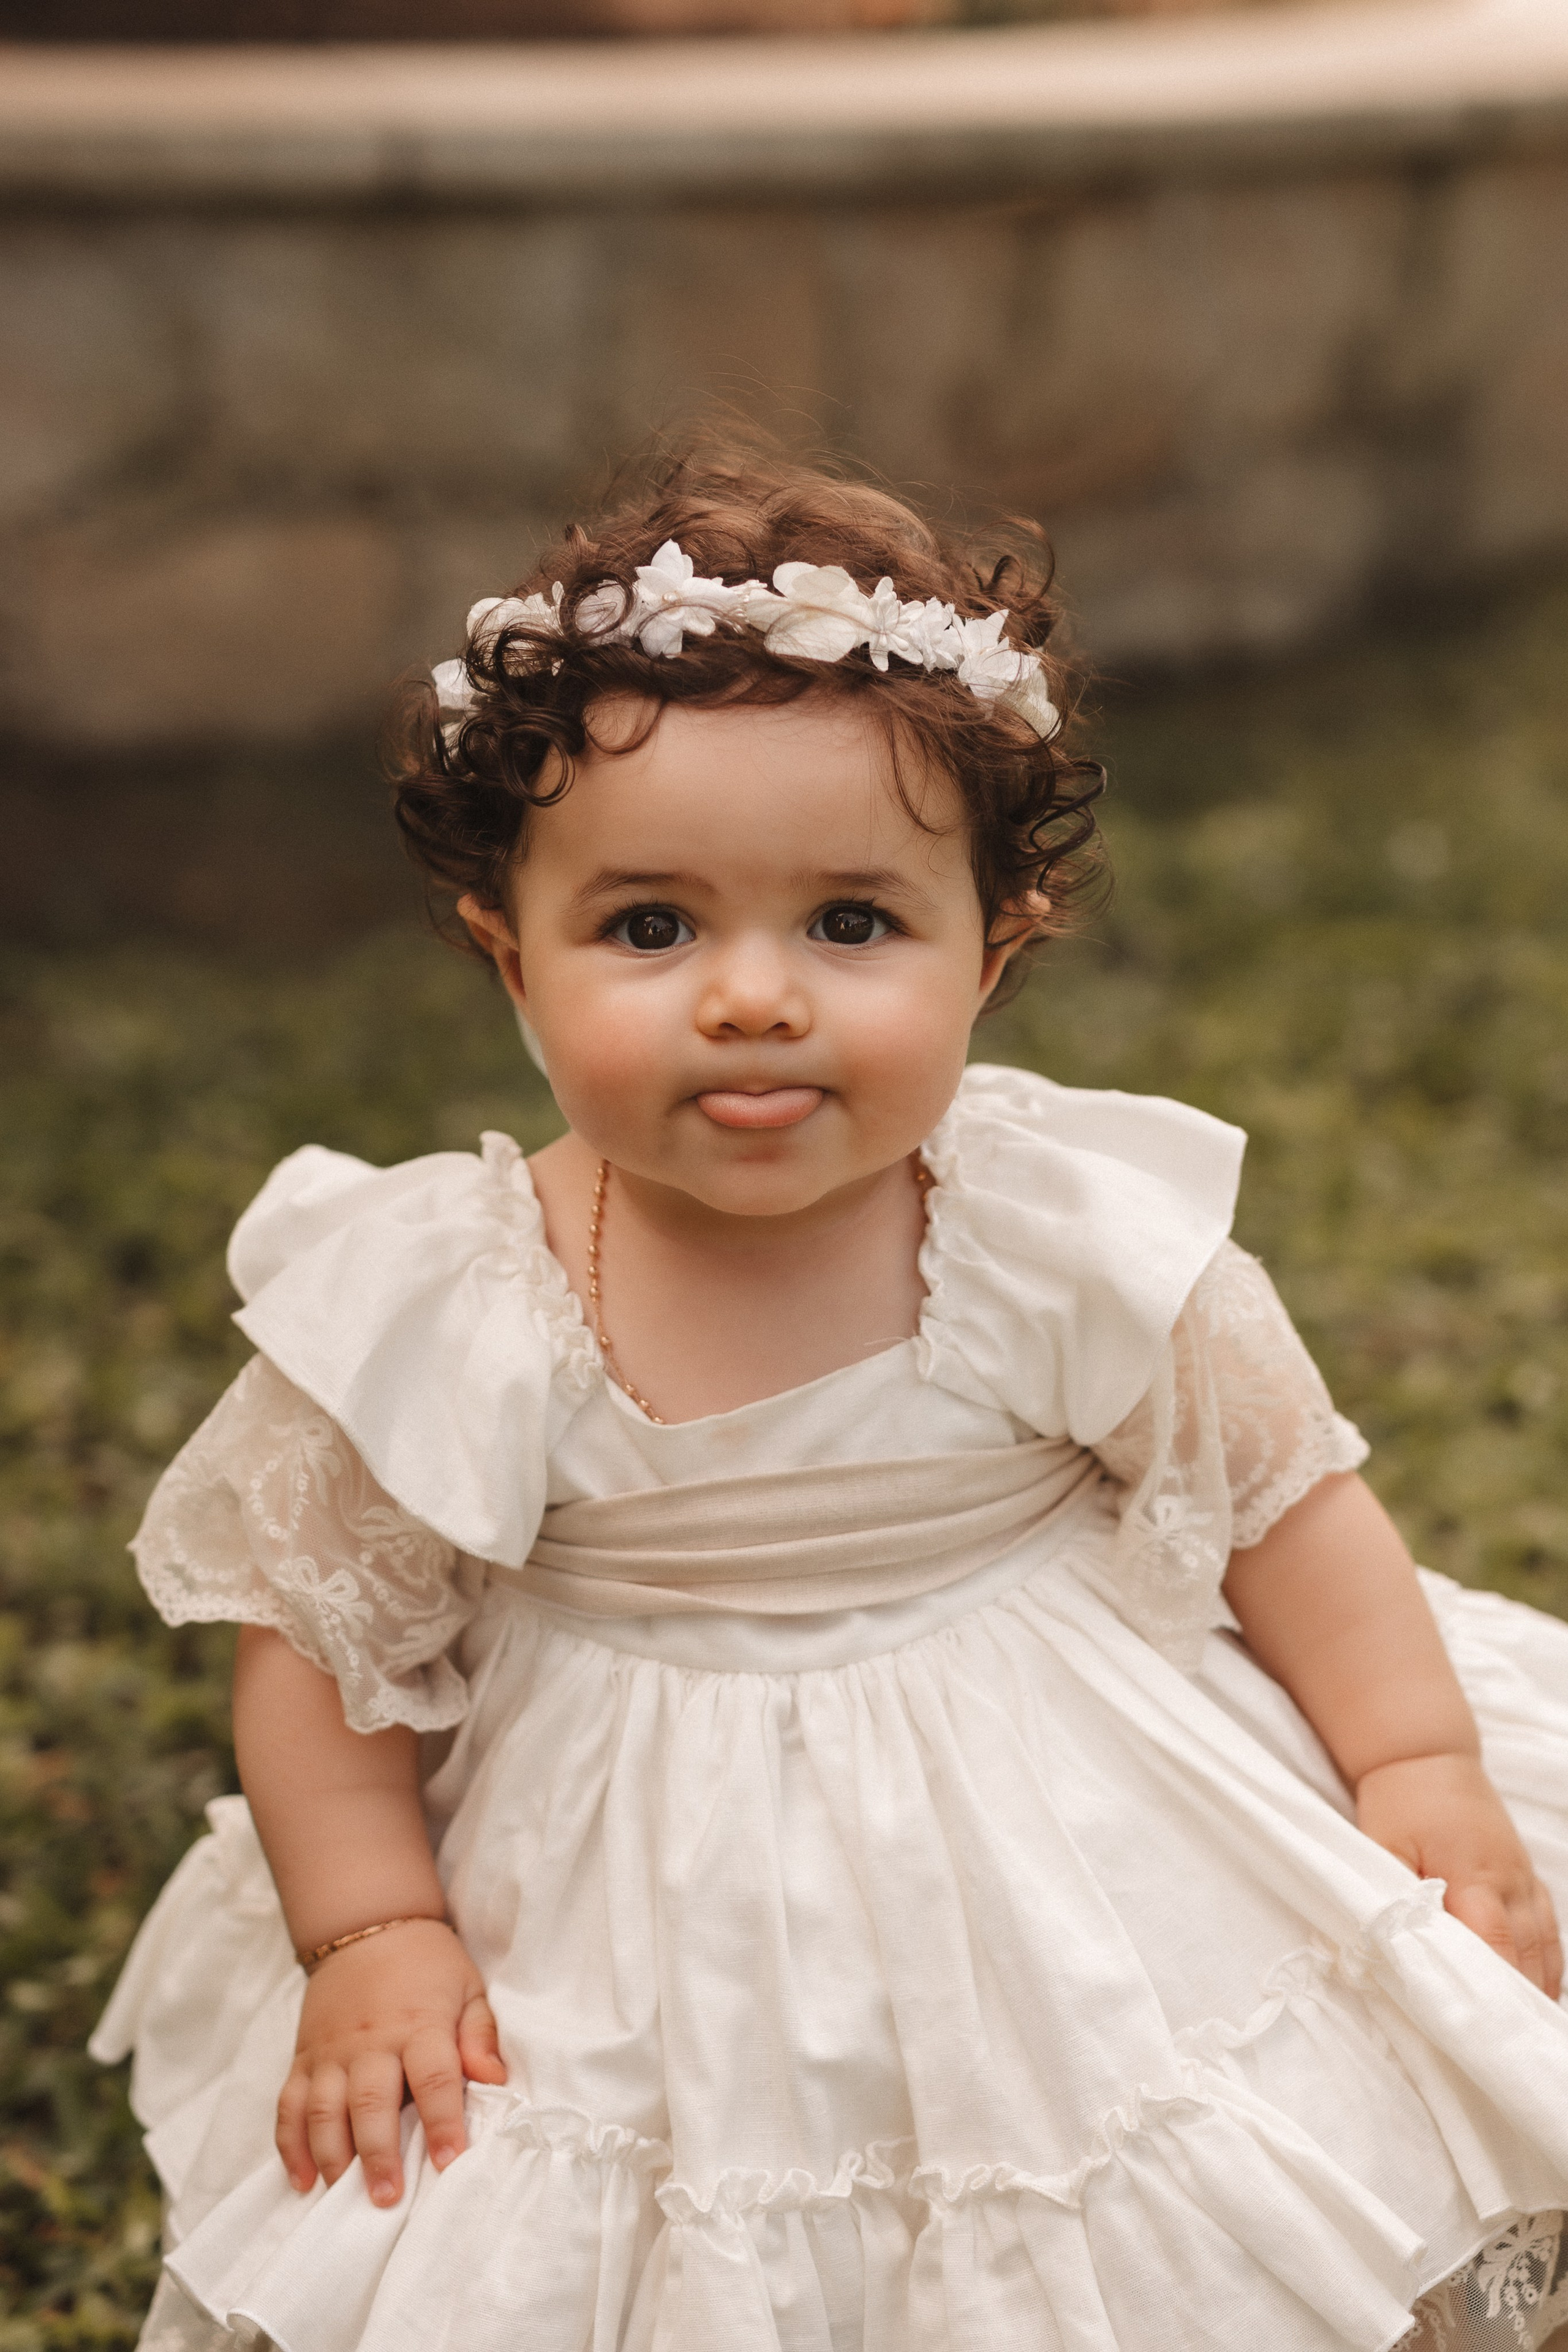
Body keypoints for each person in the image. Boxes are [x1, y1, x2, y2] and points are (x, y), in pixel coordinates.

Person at [94, 448, 1568, 2352]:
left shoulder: (1048, 1227)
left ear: (993, 948)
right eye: (651, 927)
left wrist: (1416, 1765)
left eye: (851, 925)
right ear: (509, 955)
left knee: (1140, 2147)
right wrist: (375, 1926)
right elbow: (321, 1646)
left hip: (1067, 1832)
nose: (752, 998)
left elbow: (1286, 1500)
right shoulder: (451, 1293)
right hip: (633, 1883)